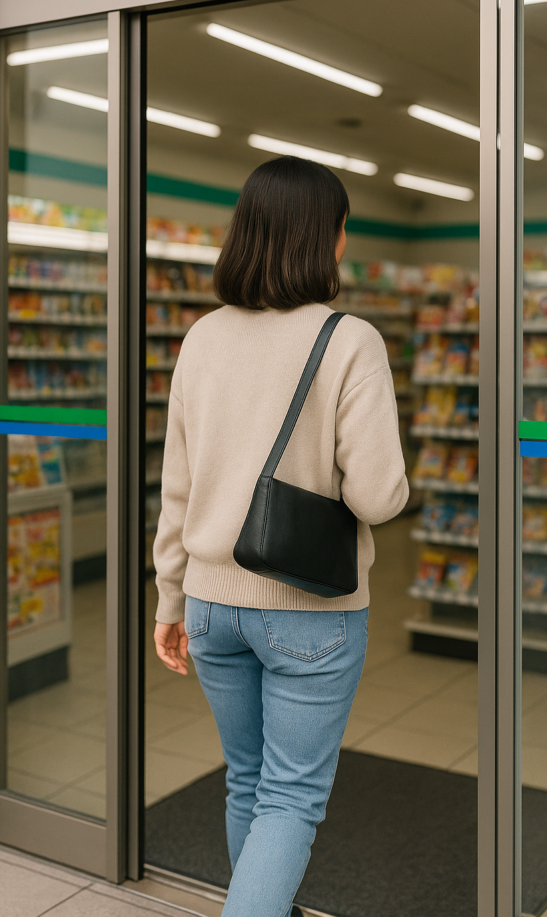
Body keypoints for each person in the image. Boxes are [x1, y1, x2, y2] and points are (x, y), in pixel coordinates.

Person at [153, 156, 408, 917]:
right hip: (310, 610)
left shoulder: (201, 339)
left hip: (207, 602)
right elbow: (378, 494)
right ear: (324, 240)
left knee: (247, 780)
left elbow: (176, 486)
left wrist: (169, 598)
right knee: (290, 799)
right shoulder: (349, 340)